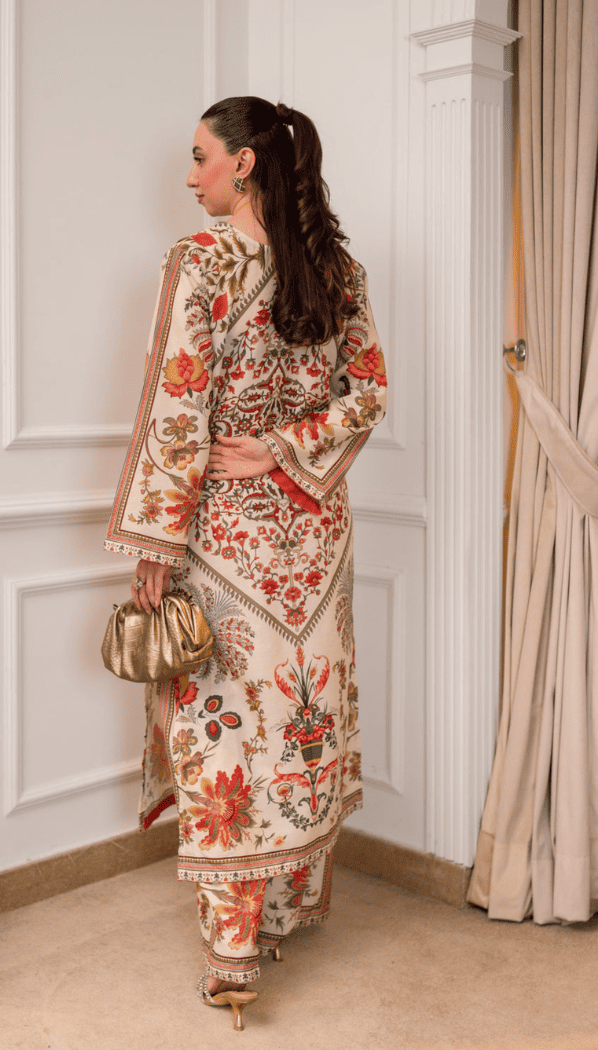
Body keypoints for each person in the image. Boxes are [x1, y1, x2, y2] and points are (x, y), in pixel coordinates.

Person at [105, 96, 387, 1030]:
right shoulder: (335, 267)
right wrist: (292, 448)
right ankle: (287, 913)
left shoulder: (200, 264)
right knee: (301, 726)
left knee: (226, 738)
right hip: (314, 547)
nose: (190, 178)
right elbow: (368, 393)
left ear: (246, 163)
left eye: (200, 158)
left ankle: (235, 951)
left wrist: (153, 546)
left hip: (227, 545)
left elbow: (176, 410)